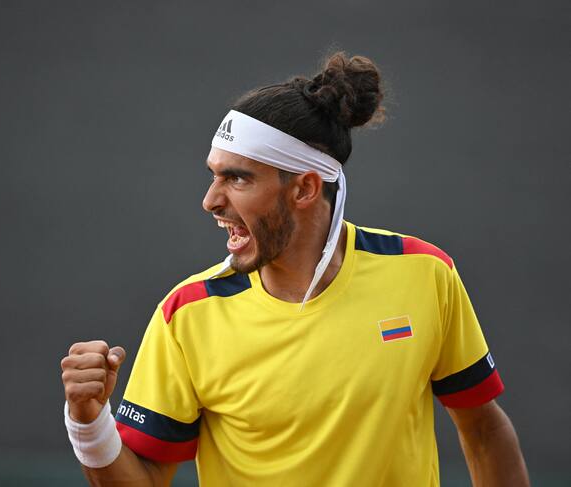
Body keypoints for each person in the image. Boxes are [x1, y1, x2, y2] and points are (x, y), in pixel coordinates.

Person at [60, 52, 529, 486]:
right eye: (214, 174)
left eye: (237, 178)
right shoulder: (186, 313)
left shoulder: (425, 272)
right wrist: (88, 423)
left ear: (304, 188)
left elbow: (483, 430)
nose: (211, 200)